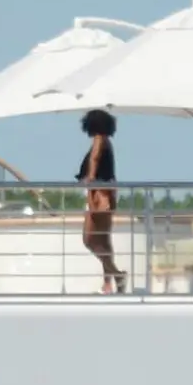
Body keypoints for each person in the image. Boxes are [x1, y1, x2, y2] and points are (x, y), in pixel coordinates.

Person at [75, 109, 126, 294]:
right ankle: (110, 282)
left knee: (89, 240)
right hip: (105, 192)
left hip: (99, 193)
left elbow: (95, 159)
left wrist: (89, 178)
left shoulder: (99, 139)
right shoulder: (106, 141)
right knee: (103, 240)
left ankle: (116, 277)